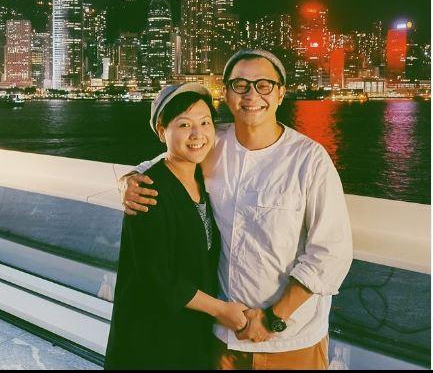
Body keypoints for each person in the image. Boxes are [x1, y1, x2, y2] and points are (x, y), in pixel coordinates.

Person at [121, 49, 353, 370]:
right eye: (240, 85)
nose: (251, 95)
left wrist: (273, 318)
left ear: (281, 93)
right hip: (222, 337)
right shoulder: (215, 143)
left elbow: (331, 253)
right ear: (227, 94)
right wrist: (131, 178)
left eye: (264, 85)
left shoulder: (309, 159)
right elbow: (172, 155)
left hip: (290, 340)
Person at [105, 83, 248, 370]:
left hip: (189, 331)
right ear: (162, 131)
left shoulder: (203, 181)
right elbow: (156, 277)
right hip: (151, 336)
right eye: (184, 125)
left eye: (205, 123)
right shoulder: (148, 191)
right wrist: (222, 310)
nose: (197, 134)